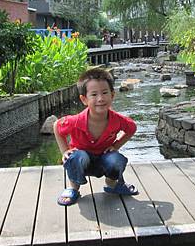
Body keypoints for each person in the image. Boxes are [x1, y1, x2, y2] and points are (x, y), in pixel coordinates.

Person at [53, 68, 139, 206]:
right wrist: (65, 151)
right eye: (94, 94)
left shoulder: (118, 120)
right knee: (75, 156)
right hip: (82, 161)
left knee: (116, 159)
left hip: (105, 158)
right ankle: (73, 188)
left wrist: (116, 146)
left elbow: (132, 128)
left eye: (105, 93)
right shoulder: (75, 121)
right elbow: (57, 126)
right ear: (84, 99)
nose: (100, 99)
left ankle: (112, 184)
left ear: (112, 95)